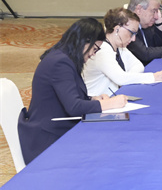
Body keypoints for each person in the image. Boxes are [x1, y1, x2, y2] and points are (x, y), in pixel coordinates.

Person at [17, 18, 127, 164]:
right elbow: (74, 107)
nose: (93, 54)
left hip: (56, 129)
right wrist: (111, 104)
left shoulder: (63, 56)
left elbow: (67, 97)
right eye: (95, 49)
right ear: (85, 41)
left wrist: (92, 99)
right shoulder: (60, 63)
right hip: (48, 138)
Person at [83, 8, 162, 97]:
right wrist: (153, 77)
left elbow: (138, 66)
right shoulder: (101, 51)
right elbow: (120, 78)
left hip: (111, 99)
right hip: (96, 104)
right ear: (117, 29)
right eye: (131, 33)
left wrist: (127, 77)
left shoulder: (119, 47)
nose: (133, 39)